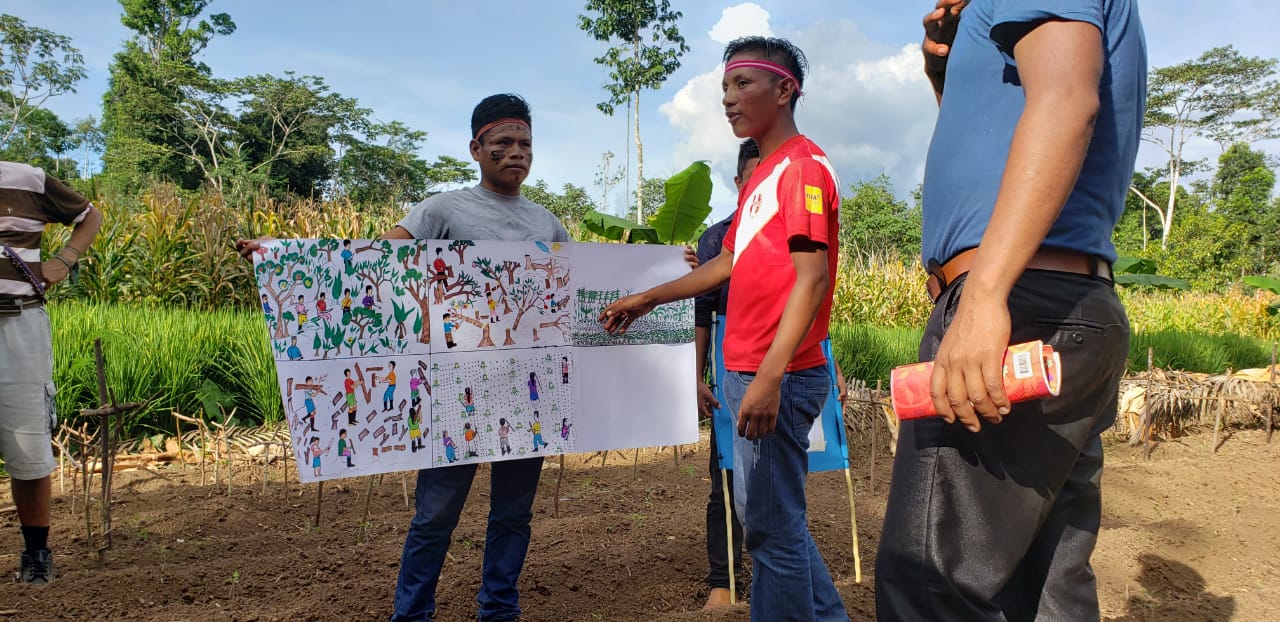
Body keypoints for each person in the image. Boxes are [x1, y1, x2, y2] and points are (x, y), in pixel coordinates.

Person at [243, 93, 570, 622]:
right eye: (504, 142)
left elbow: (578, 285)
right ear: (476, 148)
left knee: (513, 515)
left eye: (525, 144)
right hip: (455, 391)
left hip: (525, 393)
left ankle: (499, 610)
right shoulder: (443, 210)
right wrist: (282, 254)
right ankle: (412, 613)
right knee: (435, 516)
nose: (517, 153)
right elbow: (369, 261)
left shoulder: (547, 223)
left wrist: (673, 268)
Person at [874, 2, 1146, 621]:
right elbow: (995, 139)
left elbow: (1066, 104)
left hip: (1020, 301)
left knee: (932, 584)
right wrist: (946, 74)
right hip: (1062, 304)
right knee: (1043, 586)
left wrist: (984, 296)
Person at [603, 36, 847, 622]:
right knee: (775, 522)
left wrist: (769, 377)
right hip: (746, 372)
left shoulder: (803, 170)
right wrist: (648, 298)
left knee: (770, 532)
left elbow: (812, 279)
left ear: (784, 90)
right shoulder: (762, 177)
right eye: (725, 88)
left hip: (774, 375)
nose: (728, 99)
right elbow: (725, 264)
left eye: (743, 84)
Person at [0, 161, 103, 585]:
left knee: (28, 447)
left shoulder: (29, 179)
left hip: (18, 323)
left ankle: (36, 555)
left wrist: (65, 259)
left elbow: (90, 215)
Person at [693, 138, 760, 609]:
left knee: (781, 477)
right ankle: (724, 578)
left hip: (785, 373)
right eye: (755, 178)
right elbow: (702, 314)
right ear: (738, 182)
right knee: (726, 476)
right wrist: (695, 376)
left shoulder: (792, 233)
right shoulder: (717, 240)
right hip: (730, 378)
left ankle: (778, 568)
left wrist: (831, 365)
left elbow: (814, 303)